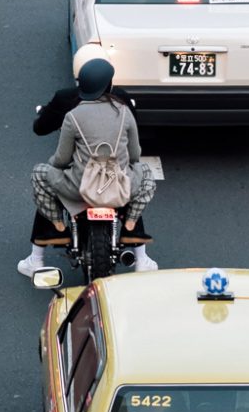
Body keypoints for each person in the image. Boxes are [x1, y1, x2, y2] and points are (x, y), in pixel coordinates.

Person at [21, 50, 157, 276]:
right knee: (142, 171)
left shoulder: (72, 115)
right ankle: (136, 239)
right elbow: (134, 154)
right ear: (108, 84)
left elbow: (62, 158)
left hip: (80, 187)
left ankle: (53, 233)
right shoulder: (124, 110)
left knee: (41, 173)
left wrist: (55, 167)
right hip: (118, 185)